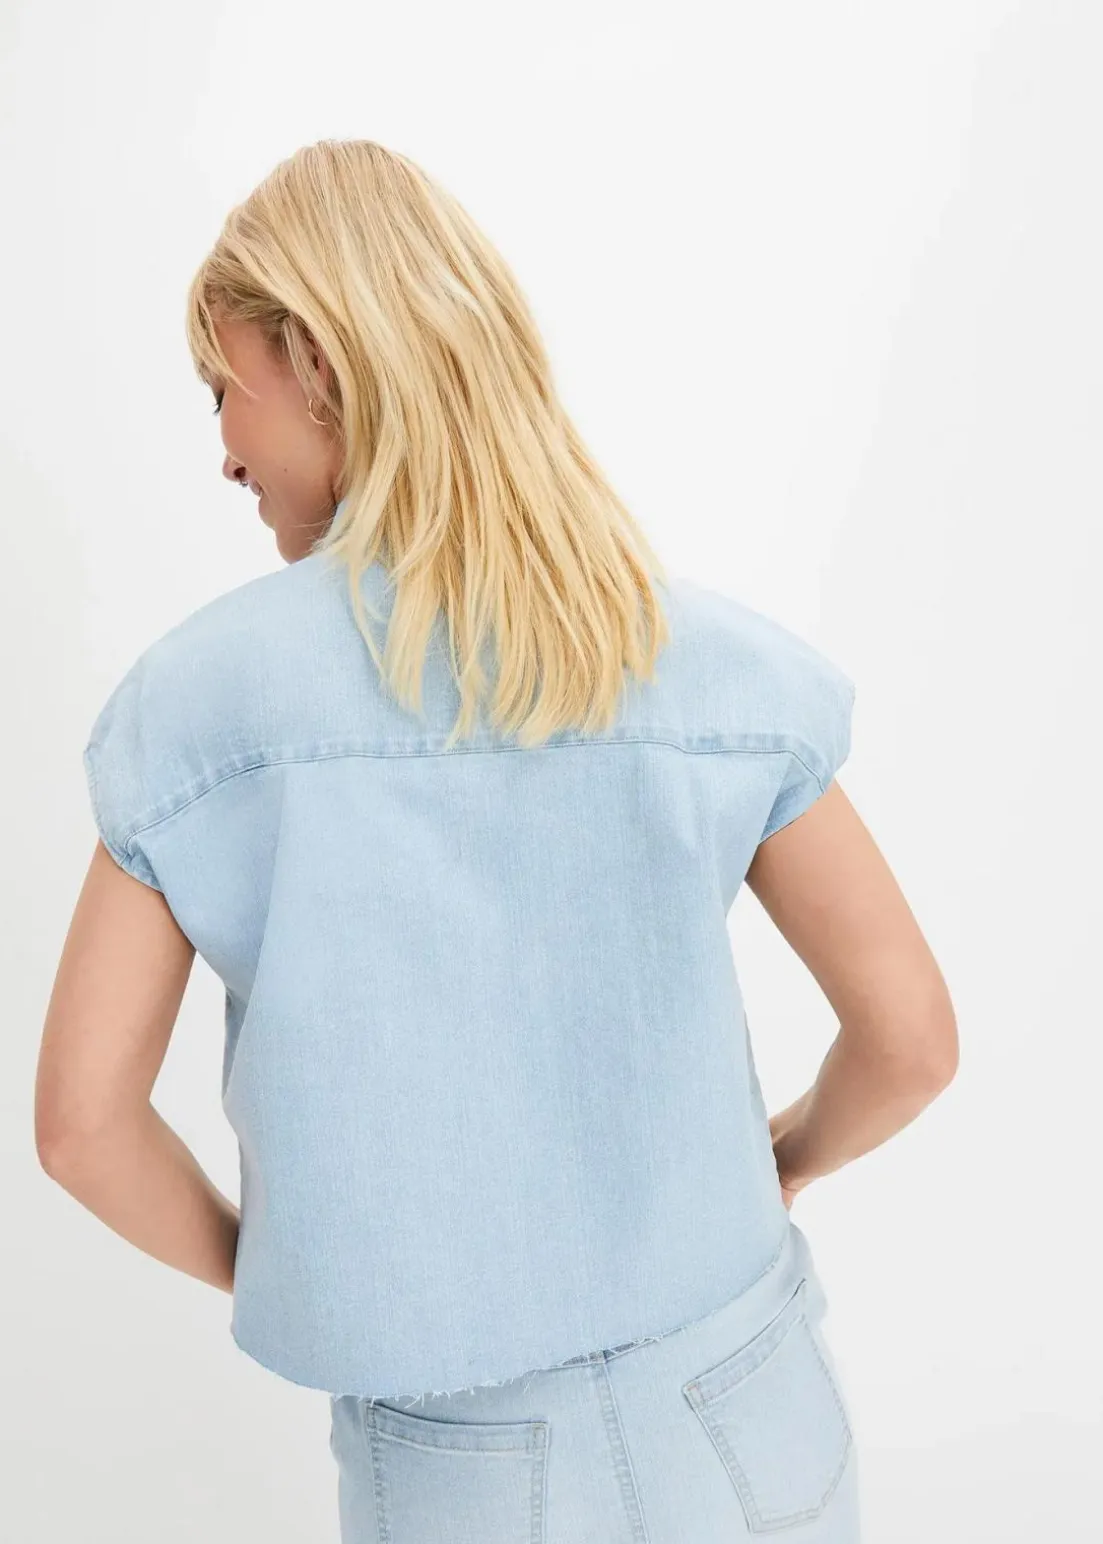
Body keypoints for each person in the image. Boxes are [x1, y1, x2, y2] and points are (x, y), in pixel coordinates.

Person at [35, 139, 958, 1543]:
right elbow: (911, 1040)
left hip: (463, 1461)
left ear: (320, 363)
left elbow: (81, 1128)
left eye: (225, 386)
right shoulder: (698, 655)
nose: (222, 446)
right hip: (752, 1399)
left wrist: (281, 1266)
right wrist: (784, 1158)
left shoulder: (193, 708)